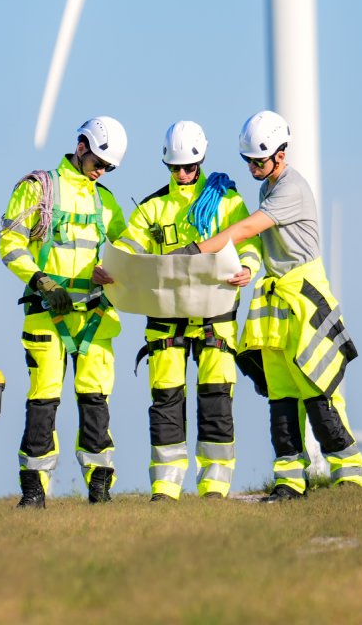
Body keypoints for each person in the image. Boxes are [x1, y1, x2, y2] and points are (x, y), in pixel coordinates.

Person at [194, 110, 362, 501]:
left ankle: (349, 476)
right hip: (274, 300)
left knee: (317, 387)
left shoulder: (290, 188)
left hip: (304, 297)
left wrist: (197, 252)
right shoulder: (267, 186)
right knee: (281, 396)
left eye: (259, 160)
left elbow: (246, 229)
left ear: (281, 154)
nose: (253, 167)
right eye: (248, 161)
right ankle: (290, 480)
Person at [110, 120, 263, 500]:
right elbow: (129, 246)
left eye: (189, 167)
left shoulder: (226, 201)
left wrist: (248, 268)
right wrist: (112, 268)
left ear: (201, 161)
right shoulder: (151, 208)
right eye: (175, 167)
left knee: (216, 399)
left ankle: (214, 486)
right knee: (166, 401)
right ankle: (165, 486)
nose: (182, 174)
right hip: (166, 319)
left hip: (216, 316)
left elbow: (248, 243)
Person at [0, 115, 129, 507]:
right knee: (43, 399)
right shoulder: (38, 190)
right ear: (82, 147)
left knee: (95, 399)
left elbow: (125, 251)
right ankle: (35, 490)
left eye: (108, 168)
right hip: (46, 310)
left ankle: (100, 485)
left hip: (95, 316)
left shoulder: (106, 201)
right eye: (98, 164)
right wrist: (40, 280)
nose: (101, 172)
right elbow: (10, 243)